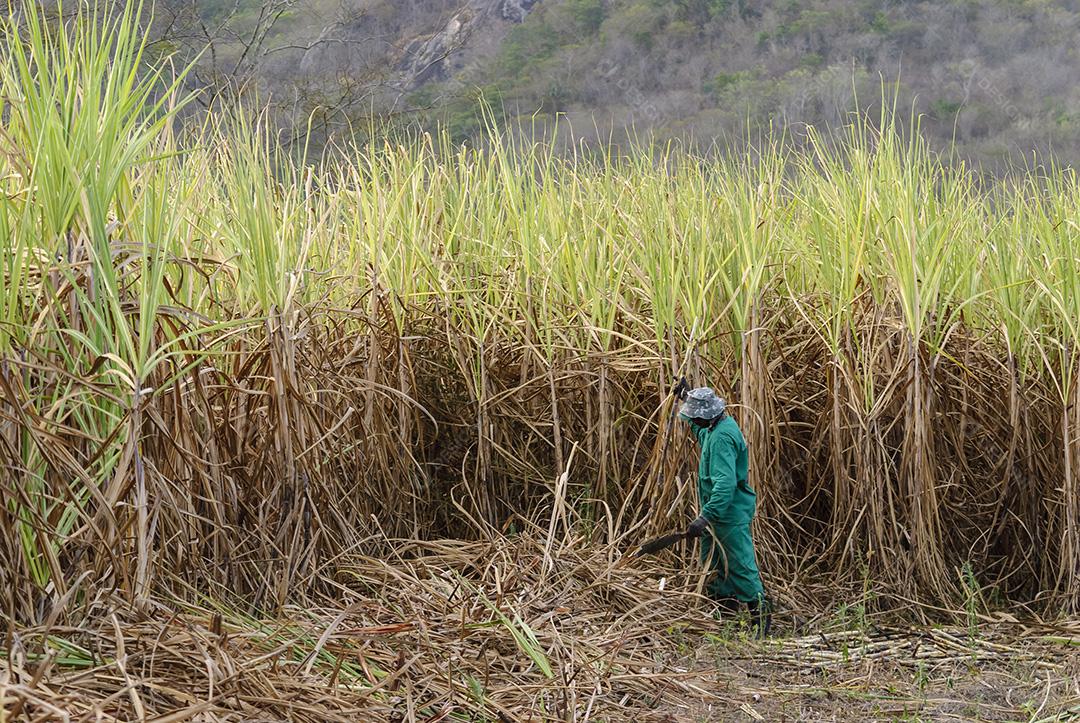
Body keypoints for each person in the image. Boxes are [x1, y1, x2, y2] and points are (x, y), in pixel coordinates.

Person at [678, 386, 771, 636]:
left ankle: (760, 623)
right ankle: (724, 617)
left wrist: (705, 516)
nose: (692, 420)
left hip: (727, 514)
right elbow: (699, 430)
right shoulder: (713, 428)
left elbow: (726, 484)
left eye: (694, 416)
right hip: (716, 514)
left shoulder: (721, 438)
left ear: (706, 415)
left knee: (740, 565)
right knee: (715, 563)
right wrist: (686, 397)